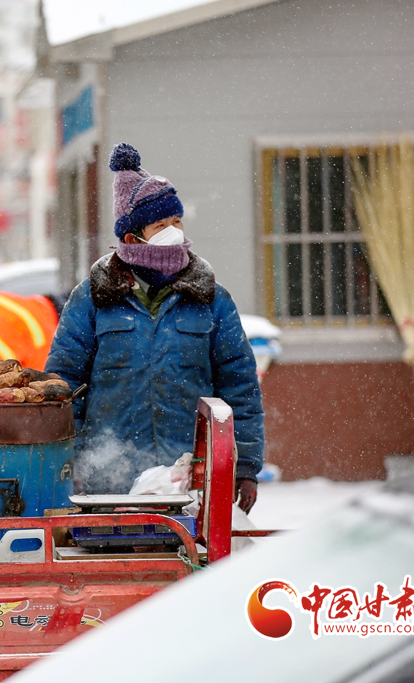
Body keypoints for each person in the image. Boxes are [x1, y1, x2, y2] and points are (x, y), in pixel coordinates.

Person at [45, 143, 263, 512]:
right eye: (161, 225)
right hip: (107, 483)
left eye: (177, 222)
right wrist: (68, 460)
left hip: (189, 480)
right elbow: (64, 386)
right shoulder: (94, 297)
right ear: (132, 238)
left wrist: (244, 466)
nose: (174, 232)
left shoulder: (209, 296)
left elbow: (239, 386)